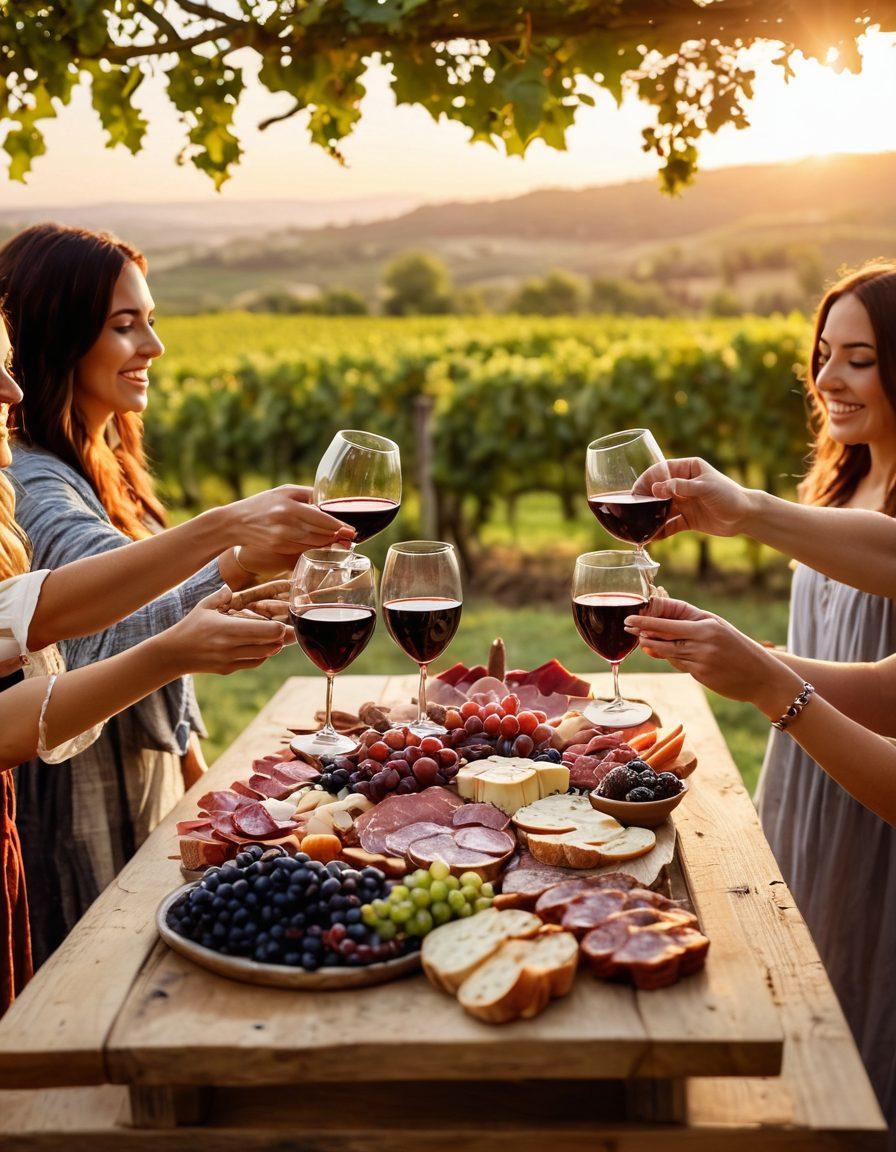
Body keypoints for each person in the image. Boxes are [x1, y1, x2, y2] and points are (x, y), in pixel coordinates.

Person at [0, 223, 352, 964]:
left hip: (139, 781)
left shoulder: (105, 462)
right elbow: (86, 628)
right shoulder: (32, 483)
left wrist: (198, 773)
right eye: (124, 325)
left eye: (151, 320)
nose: (154, 346)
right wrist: (229, 550)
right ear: (58, 336)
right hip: (78, 809)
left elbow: (143, 610)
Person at [633, 262, 896, 1142]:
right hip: (812, 773)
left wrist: (767, 677)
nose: (829, 378)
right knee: (809, 1009)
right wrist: (745, 656)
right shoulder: (839, 483)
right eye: (824, 354)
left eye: (860, 358)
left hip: (871, 794)